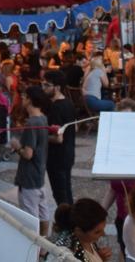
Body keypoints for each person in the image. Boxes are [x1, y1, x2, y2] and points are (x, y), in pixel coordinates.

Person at [11, 85, 54, 235]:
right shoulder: (43, 118)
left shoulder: (32, 123)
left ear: (29, 100)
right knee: (43, 212)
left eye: (24, 97)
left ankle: (34, 252)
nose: (22, 99)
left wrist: (17, 147)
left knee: (30, 218)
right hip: (39, 175)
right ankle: (43, 249)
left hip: (29, 177)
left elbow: (28, 154)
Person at [44, 70, 77, 206]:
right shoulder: (69, 103)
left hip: (56, 157)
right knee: (66, 192)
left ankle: (67, 223)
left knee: (61, 196)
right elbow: (75, 128)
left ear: (57, 87)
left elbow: (58, 139)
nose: (43, 88)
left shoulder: (55, 108)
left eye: (47, 85)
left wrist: (41, 136)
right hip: (68, 154)